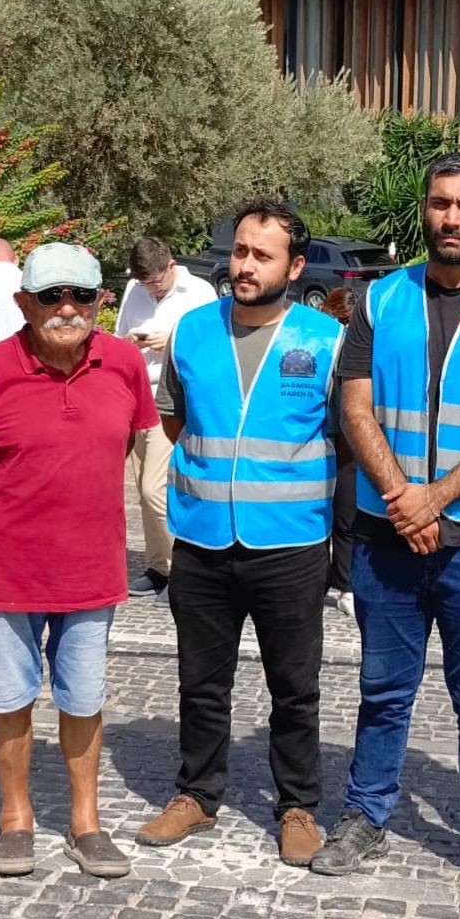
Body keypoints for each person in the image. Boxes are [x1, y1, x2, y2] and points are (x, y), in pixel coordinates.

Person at [311, 150, 460, 903]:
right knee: (384, 688)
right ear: (426, 208)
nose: (451, 217)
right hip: (390, 535)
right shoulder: (381, 301)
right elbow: (355, 406)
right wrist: (401, 496)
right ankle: (365, 813)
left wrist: (435, 498)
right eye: (440, 203)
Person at [134, 199, 343, 868]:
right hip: (201, 540)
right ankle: (197, 794)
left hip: (290, 543)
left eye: (263, 254)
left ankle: (297, 805)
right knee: (200, 681)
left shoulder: (325, 340)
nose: (245, 265)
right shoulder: (192, 331)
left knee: (295, 685)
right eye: (240, 251)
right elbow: (175, 421)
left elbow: (344, 431)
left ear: (296, 265)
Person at [0, 242, 157, 880]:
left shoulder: (123, 364)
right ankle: (15, 820)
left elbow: (122, 443)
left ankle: (85, 823)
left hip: (92, 566)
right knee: (8, 698)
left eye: (81, 296)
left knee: (83, 698)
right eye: (50, 296)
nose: (67, 308)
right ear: (22, 302)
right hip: (6, 563)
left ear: (101, 301)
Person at [116, 236, 218, 597]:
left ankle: (189, 564)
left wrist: (171, 341)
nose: (152, 290)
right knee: (143, 490)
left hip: (170, 399)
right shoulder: (133, 290)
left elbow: (214, 347)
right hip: (134, 395)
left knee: (153, 488)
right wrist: (130, 341)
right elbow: (118, 336)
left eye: (156, 282)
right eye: (146, 284)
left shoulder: (200, 292)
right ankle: (159, 567)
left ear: (171, 267)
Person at [321, 286, 360, 620]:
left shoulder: (357, 344)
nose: (345, 330)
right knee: (318, 514)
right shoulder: (322, 342)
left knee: (346, 517)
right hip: (319, 439)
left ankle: (345, 584)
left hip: (347, 443)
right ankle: (319, 581)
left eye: (350, 323)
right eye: (341, 321)